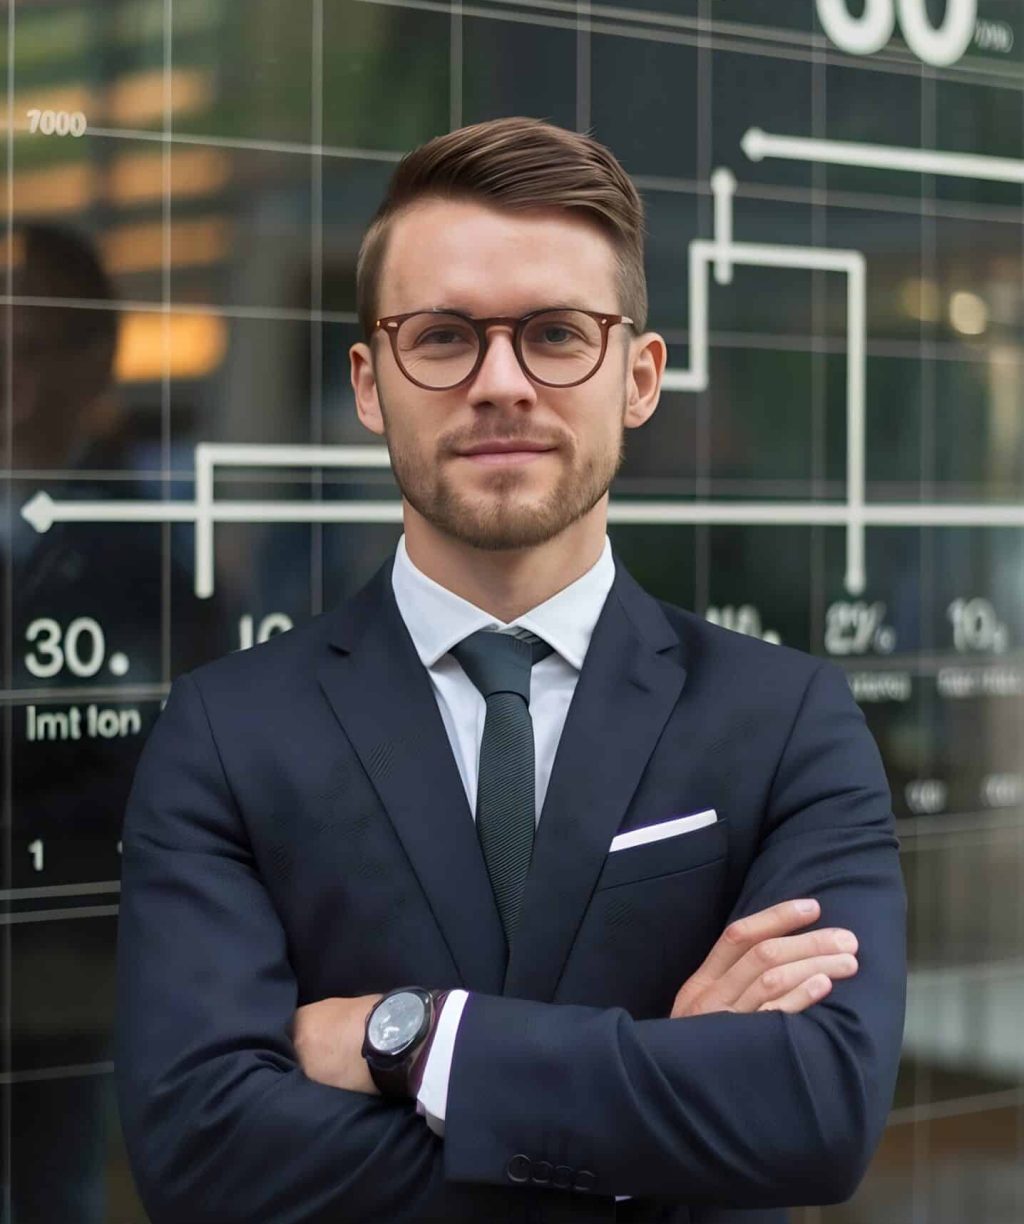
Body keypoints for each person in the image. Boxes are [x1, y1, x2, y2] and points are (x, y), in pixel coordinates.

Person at [114, 116, 907, 1224]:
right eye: (442, 336)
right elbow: (203, 1157)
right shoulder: (227, 733)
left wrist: (413, 1039)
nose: (500, 382)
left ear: (638, 377)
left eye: (554, 333)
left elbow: (815, 1115)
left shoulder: (786, 722)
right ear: (367, 381)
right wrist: (670, 1110)